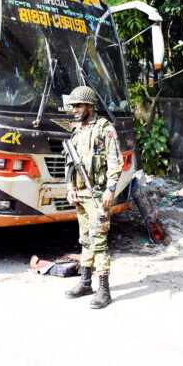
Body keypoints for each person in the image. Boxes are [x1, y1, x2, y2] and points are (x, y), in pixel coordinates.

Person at [64, 85, 123, 309]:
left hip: (97, 194)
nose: (75, 110)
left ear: (90, 106)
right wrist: (70, 187)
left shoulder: (105, 129)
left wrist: (110, 189)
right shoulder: (77, 131)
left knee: (99, 242)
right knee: (85, 239)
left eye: (78, 105)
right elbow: (70, 162)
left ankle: (104, 290)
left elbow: (115, 162)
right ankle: (86, 282)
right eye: (73, 106)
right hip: (80, 194)